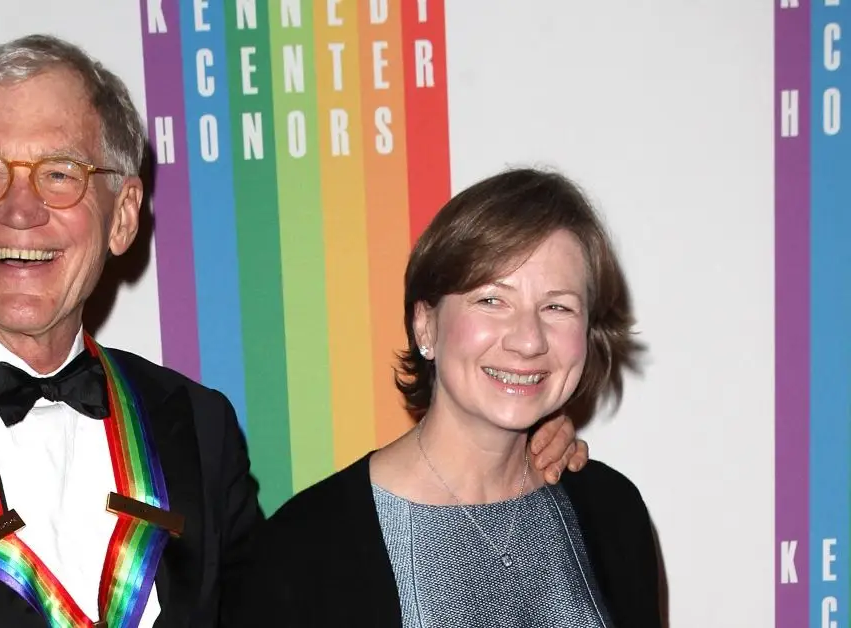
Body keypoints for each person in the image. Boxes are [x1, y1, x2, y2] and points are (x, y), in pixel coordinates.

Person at [0, 33, 589, 628]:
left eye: (62, 173)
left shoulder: (195, 428)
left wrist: (512, 445)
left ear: (122, 213)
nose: (19, 207)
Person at [232, 168, 662, 627]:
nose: (529, 340)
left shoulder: (612, 510)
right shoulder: (305, 550)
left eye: (557, 306)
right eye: (492, 300)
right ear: (426, 325)